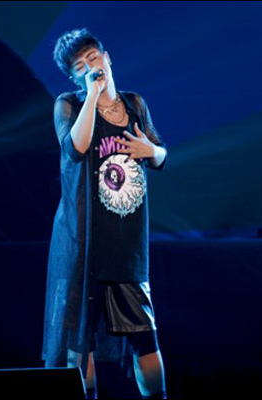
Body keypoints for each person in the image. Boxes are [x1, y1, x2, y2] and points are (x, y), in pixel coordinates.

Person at [42, 28, 168, 399]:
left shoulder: (135, 105)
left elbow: (160, 154)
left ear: (107, 57)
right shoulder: (68, 105)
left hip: (126, 244)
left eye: (93, 58)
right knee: (80, 345)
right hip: (81, 244)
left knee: (145, 339)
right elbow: (76, 148)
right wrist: (93, 96)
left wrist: (151, 152)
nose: (90, 67)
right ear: (74, 77)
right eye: (80, 66)